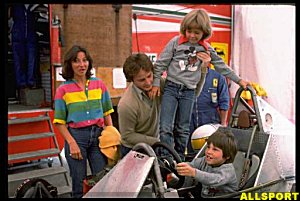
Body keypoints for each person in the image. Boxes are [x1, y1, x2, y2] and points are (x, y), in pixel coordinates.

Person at [149, 9, 248, 161]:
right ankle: (166, 159)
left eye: (197, 32)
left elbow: (221, 66)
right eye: (189, 31)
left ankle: (179, 159)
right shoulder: (176, 43)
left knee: (183, 128)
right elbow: (160, 64)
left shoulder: (206, 48)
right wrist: (156, 83)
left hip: (189, 91)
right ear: (184, 29)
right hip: (171, 87)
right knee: (165, 127)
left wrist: (239, 80)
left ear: (204, 33)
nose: (192, 36)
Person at [53, 45, 114, 198]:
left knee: (102, 182)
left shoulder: (99, 84)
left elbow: (107, 113)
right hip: (76, 138)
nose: (82, 65)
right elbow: (59, 122)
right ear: (70, 64)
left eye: (85, 60)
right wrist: (72, 143)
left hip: (98, 137)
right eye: (76, 61)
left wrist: (112, 135)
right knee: (79, 186)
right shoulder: (63, 90)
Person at [117, 53, 164, 158]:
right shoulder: (126, 104)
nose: (148, 82)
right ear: (131, 80)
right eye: (142, 80)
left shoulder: (158, 83)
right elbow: (128, 136)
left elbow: (190, 95)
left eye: (149, 76)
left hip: (154, 145)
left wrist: (202, 70)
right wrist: (157, 141)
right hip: (133, 149)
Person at [176, 127, 238, 198]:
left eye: (215, 149)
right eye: (208, 147)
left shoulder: (228, 170)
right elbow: (192, 165)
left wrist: (194, 172)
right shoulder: (204, 161)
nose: (209, 152)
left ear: (227, 155)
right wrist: (179, 166)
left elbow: (213, 179)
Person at [186, 68, 230, 157]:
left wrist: (223, 125)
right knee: (192, 153)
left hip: (211, 119)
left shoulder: (217, 76)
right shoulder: (184, 75)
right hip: (188, 119)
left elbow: (224, 102)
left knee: (212, 151)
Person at [10, 4, 38, 90]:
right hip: (17, 37)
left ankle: (31, 82)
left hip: (31, 37)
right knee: (19, 61)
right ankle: (21, 83)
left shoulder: (35, 6)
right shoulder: (15, 6)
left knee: (31, 60)